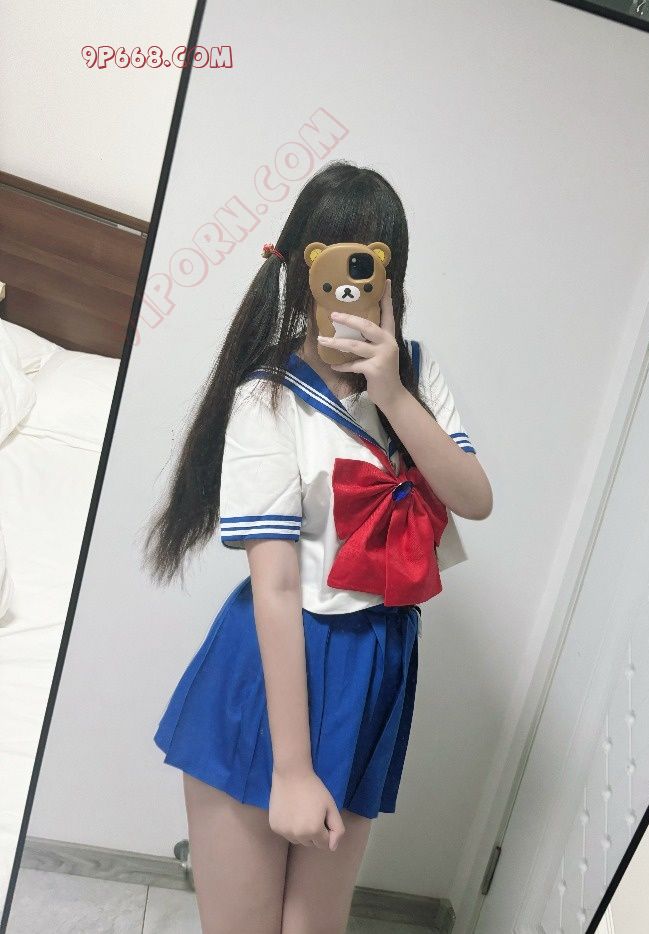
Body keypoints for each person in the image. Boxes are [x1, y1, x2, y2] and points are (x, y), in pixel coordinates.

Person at [143, 160, 492, 934]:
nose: (353, 287)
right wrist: (293, 771)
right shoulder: (266, 395)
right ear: (303, 269)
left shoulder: (419, 377)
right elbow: (273, 588)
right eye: (337, 263)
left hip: (374, 669)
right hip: (276, 665)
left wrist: (392, 392)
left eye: (373, 265)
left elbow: (475, 498)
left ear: (392, 276)